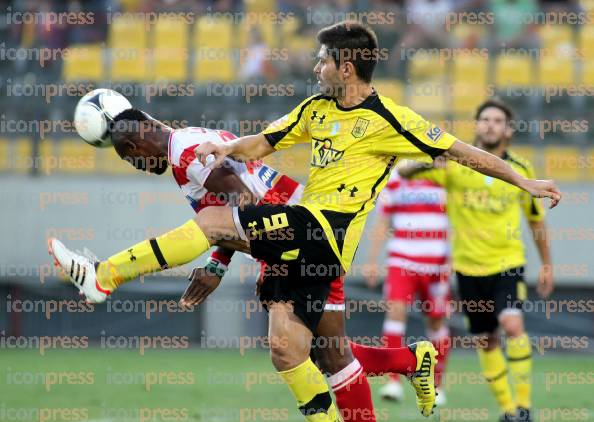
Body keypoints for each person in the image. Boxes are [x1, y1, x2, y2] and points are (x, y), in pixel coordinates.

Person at [49, 21, 560, 420]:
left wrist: (526, 183)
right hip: (298, 227)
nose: (315, 66)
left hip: (325, 233)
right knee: (293, 349)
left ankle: (103, 277)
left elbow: (461, 150)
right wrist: (223, 146)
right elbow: (264, 142)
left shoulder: (391, 119)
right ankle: (410, 361)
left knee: (215, 230)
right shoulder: (315, 109)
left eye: (322, 60)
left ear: (345, 66)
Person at [49, 108, 435, 422]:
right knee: (316, 351)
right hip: (293, 240)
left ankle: (104, 275)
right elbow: (236, 209)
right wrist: (220, 260)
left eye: (129, 154)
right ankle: (412, 359)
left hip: (302, 238)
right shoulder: (185, 147)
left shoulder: (186, 153)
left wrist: (225, 251)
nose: (133, 163)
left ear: (139, 140)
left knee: (317, 355)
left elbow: (243, 202)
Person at [400, 98, 554, 422]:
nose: (490, 125)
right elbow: (404, 171)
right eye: (484, 119)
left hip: (507, 264)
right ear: (477, 125)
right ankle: (508, 411)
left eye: (497, 120)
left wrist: (547, 265)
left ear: (508, 130)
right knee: (486, 340)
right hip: (468, 269)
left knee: (512, 325)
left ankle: (524, 406)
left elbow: (536, 222)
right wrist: (428, 160)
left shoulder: (521, 171)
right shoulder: (457, 166)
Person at [365, 169, 451, 405]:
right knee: (395, 314)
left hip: (437, 262)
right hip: (401, 259)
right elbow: (383, 219)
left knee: (436, 321)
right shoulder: (395, 175)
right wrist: (372, 260)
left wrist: (455, 259)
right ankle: (392, 381)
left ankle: (436, 384)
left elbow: (458, 219)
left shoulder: (445, 173)